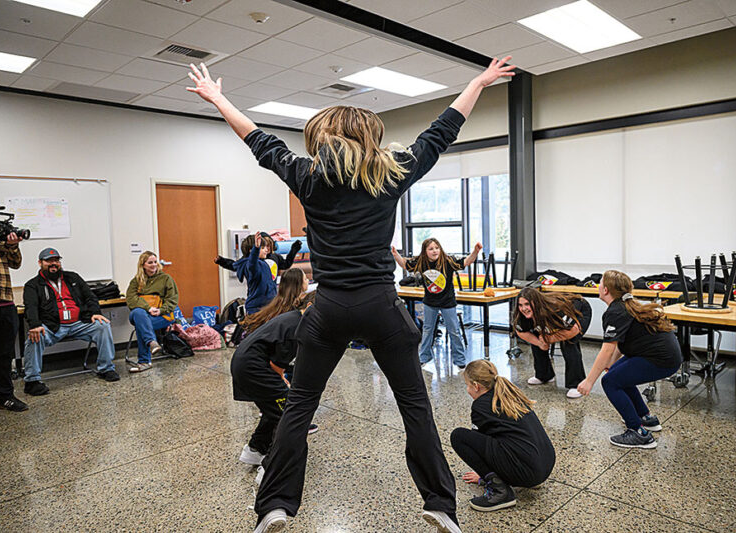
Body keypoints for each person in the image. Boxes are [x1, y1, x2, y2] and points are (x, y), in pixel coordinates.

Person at [187, 55, 516, 533]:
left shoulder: (306, 175)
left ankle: (275, 505)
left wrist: (218, 99)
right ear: (370, 136)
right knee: (415, 408)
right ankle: (440, 504)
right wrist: (478, 82)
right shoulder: (392, 172)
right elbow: (442, 131)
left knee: (299, 407)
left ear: (321, 137)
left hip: (329, 309)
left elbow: (258, 141)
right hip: (382, 307)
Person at [576, 270, 683, 449]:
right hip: (661, 355)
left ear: (606, 290)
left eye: (601, 283)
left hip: (661, 360)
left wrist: (589, 381)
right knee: (616, 374)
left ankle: (638, 433)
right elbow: (619, 341)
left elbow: (607, 349)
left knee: (610, 382)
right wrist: (611, 363)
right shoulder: (625, 305)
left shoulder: (616, 311)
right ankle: (645, 418)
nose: (598, 285)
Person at [231, 291, 318, 485]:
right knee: (289, 415)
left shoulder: (293, 318)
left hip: (243, 362)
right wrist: (282, 382)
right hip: (254, 367)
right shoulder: (297, 326)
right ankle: (272, 468)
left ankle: (255, 449)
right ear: (311, 308)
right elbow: (276, 365)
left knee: (274, 410)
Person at [450, 360, 555, 512]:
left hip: (527, 472)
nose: (467, 390)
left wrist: (485, 475)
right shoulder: (510, 395)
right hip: (544, 467)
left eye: (467, 385)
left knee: (459, 436)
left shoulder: (480, 406)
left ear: (476, 386)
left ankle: (499, 490)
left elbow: (480, 448)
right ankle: (522, 479)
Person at [22, 248, 120, 392]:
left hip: (79, 323)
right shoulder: (33, 285)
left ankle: (106, 369)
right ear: (40, 263)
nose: (53, 264)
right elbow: (31, 307)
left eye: (56, 260)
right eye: (49, 261)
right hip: (53, 327)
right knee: (33, 338)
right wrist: (35, 325)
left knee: (102, 326)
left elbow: (90, 297)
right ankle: (32, 381)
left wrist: (95, 313)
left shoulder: (72, 278)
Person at [392, 239, 481, 368]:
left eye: (436, 248)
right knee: (428, 330)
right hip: (430, 302)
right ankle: (424, 357)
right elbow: (405, 265)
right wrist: (396, 255)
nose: (435, 251)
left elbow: (466, 262)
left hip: (448, 302)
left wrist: (475, 251)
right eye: (431, 249)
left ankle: (460, 360)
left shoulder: (448, 261)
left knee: (454, 331)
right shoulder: (422, 262)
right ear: (425, 251)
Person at [513, 287, 592, 399]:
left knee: (568, 342)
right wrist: (540, 343)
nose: (523, 308)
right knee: (537, 337)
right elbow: (520, 331)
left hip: (579, 311)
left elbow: (572, 331)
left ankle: (576, 384)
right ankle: (544, 375)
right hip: (554, 317)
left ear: (535, 303)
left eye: (527, 304)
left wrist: (549, 339)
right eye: (520, 305)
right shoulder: (521, 314)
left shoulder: (557, 310)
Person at [0, 208, 29, 411]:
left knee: (4, 354)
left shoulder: (0, 235)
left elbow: (16, 263)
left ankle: (6, 396)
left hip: (5, 303)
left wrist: (13, 245)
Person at [125, 251, 179, 373]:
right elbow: (131, 299)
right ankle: (151, 342)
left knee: (141, 325)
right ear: (143, 265)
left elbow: (172, 299)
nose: (154, 265)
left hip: (162, 316)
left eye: (155, 262)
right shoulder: (136, 281)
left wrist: (161, 310)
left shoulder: (166, 279)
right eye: (150, 263)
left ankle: (144, 361)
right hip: (142, 314)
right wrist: (148, 308)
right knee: (139, 313)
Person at [215, 234, 277, 315]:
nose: (266, 250)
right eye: (262, 248)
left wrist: (221, 261)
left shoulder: (262, 263)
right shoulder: (252, 265)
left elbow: (234, 265)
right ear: (252, 251)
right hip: (257, 309)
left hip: (268, 305)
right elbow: (252, 262)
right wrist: (256, 248)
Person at [241, 268, 308, 335]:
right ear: (299, 284)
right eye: (305, 279)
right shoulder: (293, 311)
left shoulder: (277, 304)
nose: (308, 281)